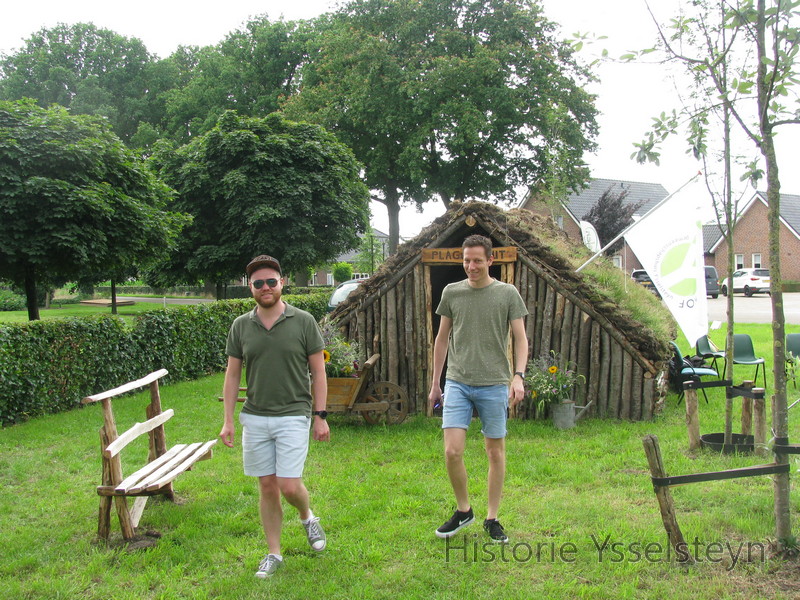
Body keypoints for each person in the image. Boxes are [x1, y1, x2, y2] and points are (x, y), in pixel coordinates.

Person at [220, 254, 330, 578]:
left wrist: (320, 415)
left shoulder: (303, 321)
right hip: (254, 416)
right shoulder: (241, 326)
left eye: (271, 281)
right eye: (258, 283)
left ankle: (308, 517)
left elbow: (319, 373)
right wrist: (228, 419)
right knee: (267, 487)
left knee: (288, 485)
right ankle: (274, 553)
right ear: (249, 287)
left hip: (294, 414)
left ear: (282, 283)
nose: (265, 287)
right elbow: (231, 376)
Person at [428, 234, 529, 544]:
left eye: (477, 260)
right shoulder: (451, 293)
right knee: (452, 450)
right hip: (457, 381)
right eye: (466, 260)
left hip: (495, 383)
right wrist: (436, 383)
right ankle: (464, 510)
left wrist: (518, 376)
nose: (471, 266)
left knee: (494, 452)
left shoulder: (507, 293)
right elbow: (442, 338)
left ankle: (492, 517)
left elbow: (521, 338)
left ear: (490, 261)